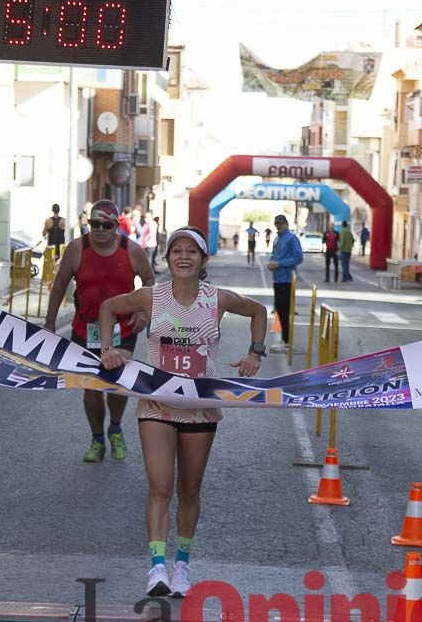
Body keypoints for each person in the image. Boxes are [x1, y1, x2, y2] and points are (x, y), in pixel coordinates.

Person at [98, 227, 267, 597]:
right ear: (168, 258)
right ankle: (156, 567)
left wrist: (255, 353)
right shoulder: (150, 297)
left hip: (200, 410)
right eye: (177, 251)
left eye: (192, 251)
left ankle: (182, 567)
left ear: (203, 261)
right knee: (160, 487)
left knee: (189, 490)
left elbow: (258, 311)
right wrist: (107, 349)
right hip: (155, 404)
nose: (184, 256)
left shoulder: (217, 299)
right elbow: (108, 307)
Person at [45, 200, 155, 462]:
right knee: (91, 386)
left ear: (116, 226)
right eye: (95, 224)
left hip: (123, 327)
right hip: (86, 326)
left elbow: (150, 280)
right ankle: (97, 440)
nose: (101, 229)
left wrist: (142, 311)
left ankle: (115, 428)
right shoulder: (77, 248)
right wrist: (49, 325)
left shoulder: (132, 250)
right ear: (89, 224)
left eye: (107, 225)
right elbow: (59, 285)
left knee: (117, 382)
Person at [268, 214, 303, 353]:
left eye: (281, 223)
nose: (278, 225)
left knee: (284, 311)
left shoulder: (291, 238)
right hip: (277, 279)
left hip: (287, 280)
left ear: (286, 224)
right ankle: (285, 340)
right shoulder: (277, 238)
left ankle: (287, 342)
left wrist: (280, 264)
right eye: (277, 223)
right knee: (280, 310)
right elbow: (274, 255)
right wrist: (271, 262)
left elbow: (298, 257)